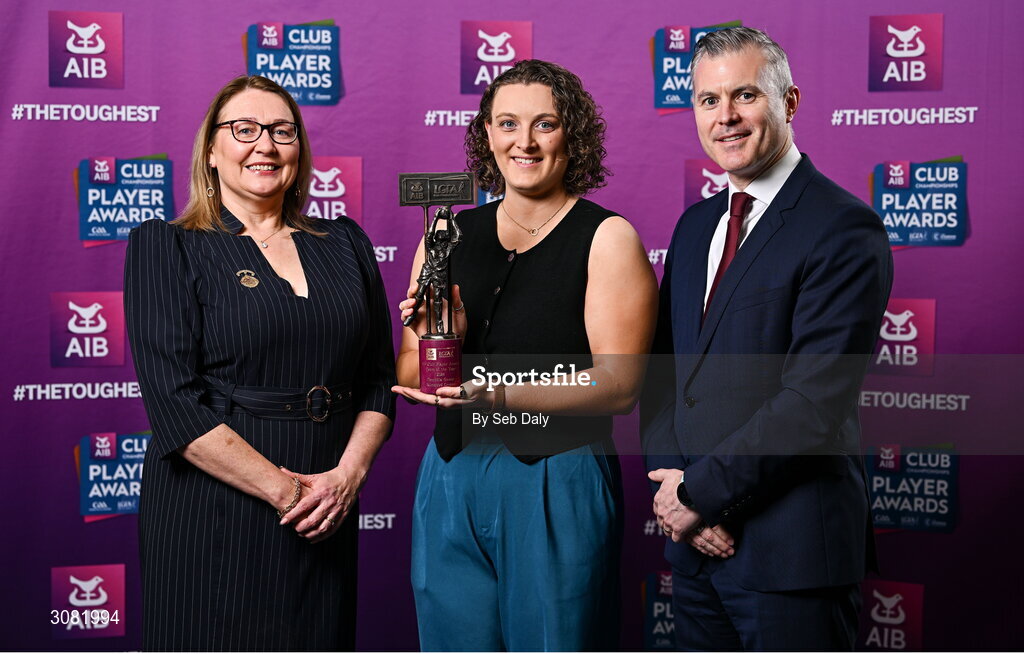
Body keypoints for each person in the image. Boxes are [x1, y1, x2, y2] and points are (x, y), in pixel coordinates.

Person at [393, 59, 658, 651]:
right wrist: (446, 341)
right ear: (488, 133)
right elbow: (411, 372)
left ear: (572, 134)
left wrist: (499, 394)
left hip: (555, 473)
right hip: (451, 473)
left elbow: (619, 385)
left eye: (545, 124)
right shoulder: (444, 236)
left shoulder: (606, 236)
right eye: (509, 123)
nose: (525, 142)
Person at [124, 75, 395, 651]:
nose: (265, 146)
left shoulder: (346, 243)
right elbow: (174, 406)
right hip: (214, 507)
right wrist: (289, 495)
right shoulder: (168, 244)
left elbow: (377, 381)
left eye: (281, 131)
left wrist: (345, 479)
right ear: (211, 151)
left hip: (327, 503)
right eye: (244, 130)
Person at [642, 27, 893, 650]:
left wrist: (698, 495)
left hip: (792, 558)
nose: (725, 117)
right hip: (696, 553)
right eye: (708, 100)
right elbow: (665, 373)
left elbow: (813, 403)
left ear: (790, 101)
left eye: (745, 95)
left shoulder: (842, 227)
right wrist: (673, 487)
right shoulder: (695, 226)